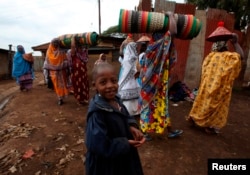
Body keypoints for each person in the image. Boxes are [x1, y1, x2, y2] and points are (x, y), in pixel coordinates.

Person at [85, 63, 145, 175]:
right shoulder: (97, 112)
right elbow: (98, 144)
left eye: (113, 81)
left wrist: (131, 126)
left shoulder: (117, 100)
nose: (110, 86)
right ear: (94, 86)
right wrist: (125, 143)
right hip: (106, 165)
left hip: (122, 156)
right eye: (103, 82)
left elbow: (126, 116)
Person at [187, 22, 244, 134]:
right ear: (226, 44)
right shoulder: (228, 57)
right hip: (219, 89)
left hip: (206, 87)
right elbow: (241, 56)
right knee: (215, 106)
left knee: (202, 101)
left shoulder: (210, 57)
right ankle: (209, 125)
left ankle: (195, 118)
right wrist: (236, 43)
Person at [138, 12, 183, 138]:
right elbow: (173, 32)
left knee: (161, 105)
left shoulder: (151, 47)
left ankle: (169, 130)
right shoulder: (157, 46)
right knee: (149, 105)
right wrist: (171, 16)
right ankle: (144, 132)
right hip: (153, 81)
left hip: (156, 81)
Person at [118, 42, 141, 118]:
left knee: (132, 98)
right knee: (130, 98)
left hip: (130, 80)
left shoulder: (129, 58)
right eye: (134, 47)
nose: (136, 49)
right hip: (130, 80)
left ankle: (132, 111)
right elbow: (132, 70)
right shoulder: (130, 59)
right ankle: (131, 111)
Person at [43, 38, 69, 105]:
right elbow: (47, 62)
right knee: (57, 86)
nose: (55, 44)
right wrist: (47, 74)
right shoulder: (49, 52)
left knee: (63, 85)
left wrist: (65, 66)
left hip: (61, 72)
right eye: (54, 43)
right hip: (53, 72)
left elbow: (65, 60)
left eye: (56, 43)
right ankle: (60, 98)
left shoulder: (61, 51)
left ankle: (61, 97)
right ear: (51, 43)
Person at [67, 37, 89, 105]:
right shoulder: (73, 53)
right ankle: (79, 100)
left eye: (81, 47)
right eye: (79, 47)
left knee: (84, 85)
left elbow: (86, 48)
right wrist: (73, 39)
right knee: (78, 86)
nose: (80, 48)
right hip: (76, 74)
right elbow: (72, 46)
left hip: (83, 73)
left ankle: (84, 99)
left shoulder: (83, 53)